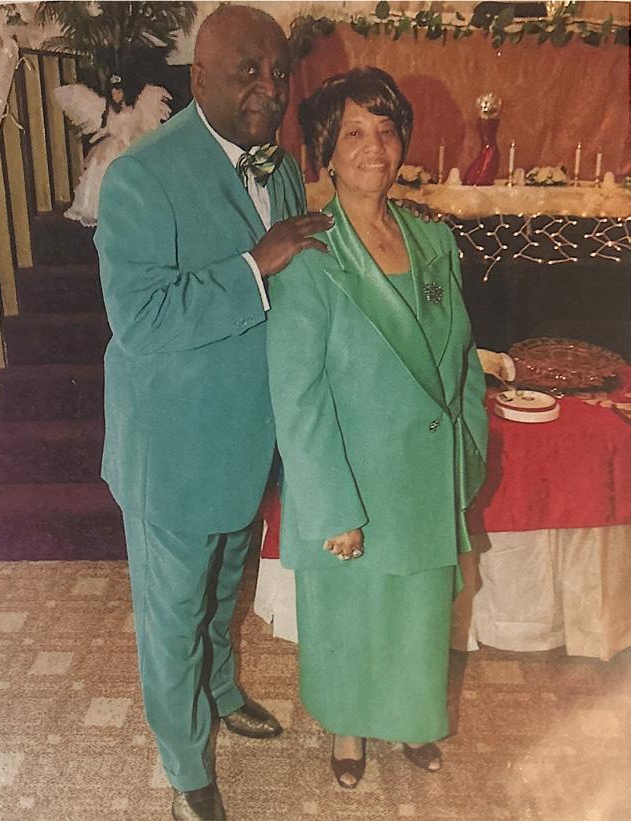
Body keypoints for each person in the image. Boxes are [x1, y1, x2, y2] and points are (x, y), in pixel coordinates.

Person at [94, 6, 332, 820]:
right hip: (174, 447)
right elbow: (141, 317)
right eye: (247, 70)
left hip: (251, 435)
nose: (269, 87)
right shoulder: (140, 176)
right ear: (198, 77)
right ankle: (187, 764)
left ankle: (223, 688)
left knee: (226, 586)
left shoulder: (283, 168)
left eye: (279, 73)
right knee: (172, 616)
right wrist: (254, 265)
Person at [266, 68, 488, 789]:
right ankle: (349, 727)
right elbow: (297, 395)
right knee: (350, 613)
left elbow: (461, 359)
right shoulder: (310, 255)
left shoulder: (432, 241)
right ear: (325, 151)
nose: (373, 147)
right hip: (351, 476)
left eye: (386, 130)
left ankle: (412, 717)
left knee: (418, 610)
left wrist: (467, 452)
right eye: (354, 132)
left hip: (423, 471)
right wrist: (330, 505)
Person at [55, 74, 172, 226]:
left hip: (133, 147)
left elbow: (144, 127)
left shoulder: (137, 108)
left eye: (119, 92)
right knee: (103, 173)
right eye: (113, 92)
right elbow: (106, 127)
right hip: (111, 149)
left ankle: (136, 210)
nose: (116, 95)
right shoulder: (107, 110)